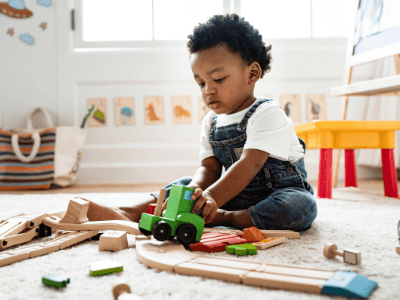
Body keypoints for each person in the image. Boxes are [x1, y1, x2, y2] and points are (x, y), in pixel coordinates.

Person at [86, 13, 317, 231]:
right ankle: (129, 212)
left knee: (297, 206)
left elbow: (250, 164)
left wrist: (213, 198)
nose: (208, 90)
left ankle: (227, 218)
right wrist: (194, 192)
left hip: (275, 194)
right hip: (231, 194)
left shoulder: (267, 113)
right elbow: (209, 169)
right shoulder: (211, 121)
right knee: (185, 184)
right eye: (201, 83)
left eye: (218, 79)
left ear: (252, 73)